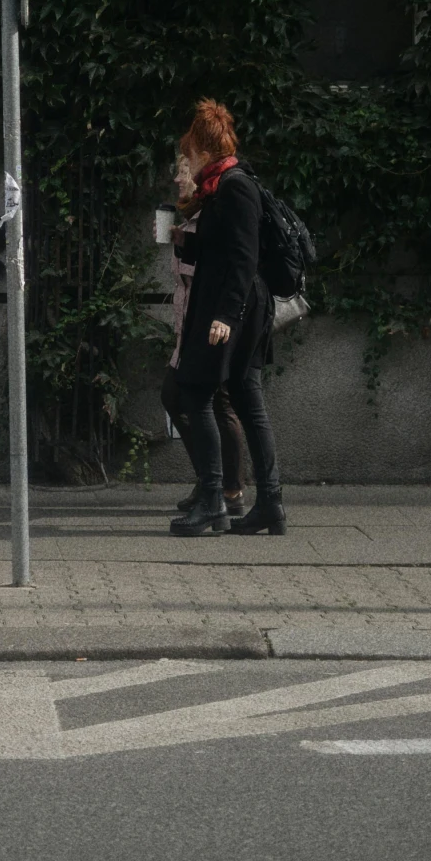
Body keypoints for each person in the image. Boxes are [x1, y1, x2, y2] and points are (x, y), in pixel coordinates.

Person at [166, 98, 286, 538]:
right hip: (237, 305)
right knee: (247, 401)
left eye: (190, 151)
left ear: (202, 149)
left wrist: (226, 316)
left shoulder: (235, 186)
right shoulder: (224, 185)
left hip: (233, 307)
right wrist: (187, 241)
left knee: (196, 393)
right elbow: (222, 252)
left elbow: (243, 258)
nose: (187, 161)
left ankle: (215, 500)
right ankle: (269, 503)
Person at [158, 154, 248, 526]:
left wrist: (221, 318)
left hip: (210, 327)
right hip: (190, 327)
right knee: (177, 396)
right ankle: (212, 484)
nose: (178, 179)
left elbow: (227, 267)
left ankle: (229, 491)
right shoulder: (193, 220)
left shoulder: (211, 216)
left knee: (217, 402)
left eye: (182, 171)